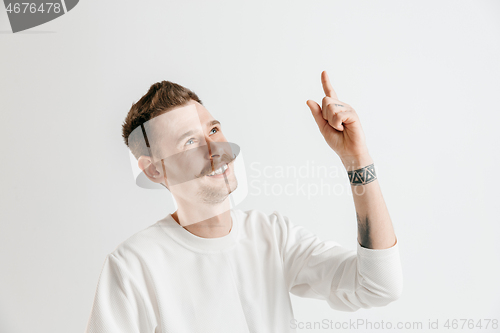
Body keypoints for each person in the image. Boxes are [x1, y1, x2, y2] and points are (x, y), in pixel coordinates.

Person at [85, 71, 403, 333]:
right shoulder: (133, 266)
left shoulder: (272, 236)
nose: (216, 149)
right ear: (155, 169)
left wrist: (356, 160)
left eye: (213, 129)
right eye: (191, 141)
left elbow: (379, 285)